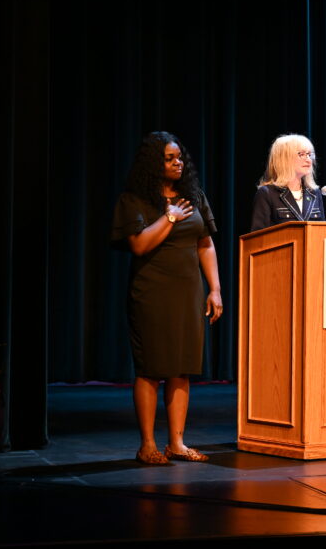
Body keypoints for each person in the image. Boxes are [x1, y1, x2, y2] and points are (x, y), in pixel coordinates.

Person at [111, 131, 222, 465]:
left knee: (181, 368)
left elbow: (205, 244)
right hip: (152, 292)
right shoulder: (134, 200)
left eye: (180, 157)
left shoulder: (193, 196)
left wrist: (215, 289)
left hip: (188, 292)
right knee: (151, 368)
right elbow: (140, 245)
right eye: (170, 158)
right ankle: (147, 445)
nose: (178, 163)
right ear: (153, 163)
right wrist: (169, 217)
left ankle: (177, 443)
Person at [250, 134, 326, 231]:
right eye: (301, 154)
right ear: (284, 159)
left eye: (309, 155)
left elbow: (322, 232)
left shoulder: (314, 193)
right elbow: (259, 236)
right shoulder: (267, 193)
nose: (308, 160)